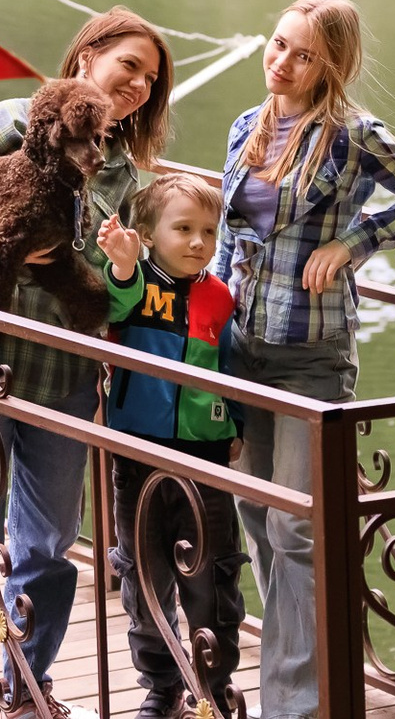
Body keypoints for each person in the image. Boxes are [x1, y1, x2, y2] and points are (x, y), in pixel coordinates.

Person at [0, 7, 175, 719]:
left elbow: (118, 289)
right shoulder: (15, 122)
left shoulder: (121, 174)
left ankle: (26, 682)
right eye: (129, 65)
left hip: (64, 371)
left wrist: (121, 270)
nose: (139, 84)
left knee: (48, 543)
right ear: (86, 57)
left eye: (150, 78)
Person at [211, 0, 395, 719]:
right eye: (278, 43)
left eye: (304, 55)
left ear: (332, 66)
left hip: (311, 353)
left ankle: (297, 702)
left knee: (297, 526)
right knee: (257, 514)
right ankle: (294, 672)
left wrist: (354, 243)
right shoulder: (247, 127)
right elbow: (227, 241)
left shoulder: (354, 136)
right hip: (241, 347)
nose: (282, 62)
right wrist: (204, 331)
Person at [96, 174, 247, 719]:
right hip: (137, 450)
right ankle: (162, 688)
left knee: (212, 575)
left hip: (205, 454)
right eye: (182, 229)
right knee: (144, 573)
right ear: (148, 234)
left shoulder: (220, 296)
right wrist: (122, 264)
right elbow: (114, 306)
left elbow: (231, 367)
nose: (198, 242)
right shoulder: (136, 285)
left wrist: (236, 425)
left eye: (209, 231)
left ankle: (213, 686)